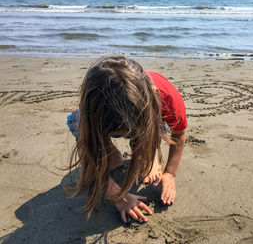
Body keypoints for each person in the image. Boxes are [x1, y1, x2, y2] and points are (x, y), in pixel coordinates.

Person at [66, 55, 187, 223]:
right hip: (101, 116)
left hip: (149, 115)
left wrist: (169, 173)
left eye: (128, 130)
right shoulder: (91, 110)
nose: (123, 134)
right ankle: (110, 150)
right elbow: (89, 156)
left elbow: (179, 134)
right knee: (80, 127)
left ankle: (149, 155)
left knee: (147, 138)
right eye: (117, 131)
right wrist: (117, 196)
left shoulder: (167, 97)